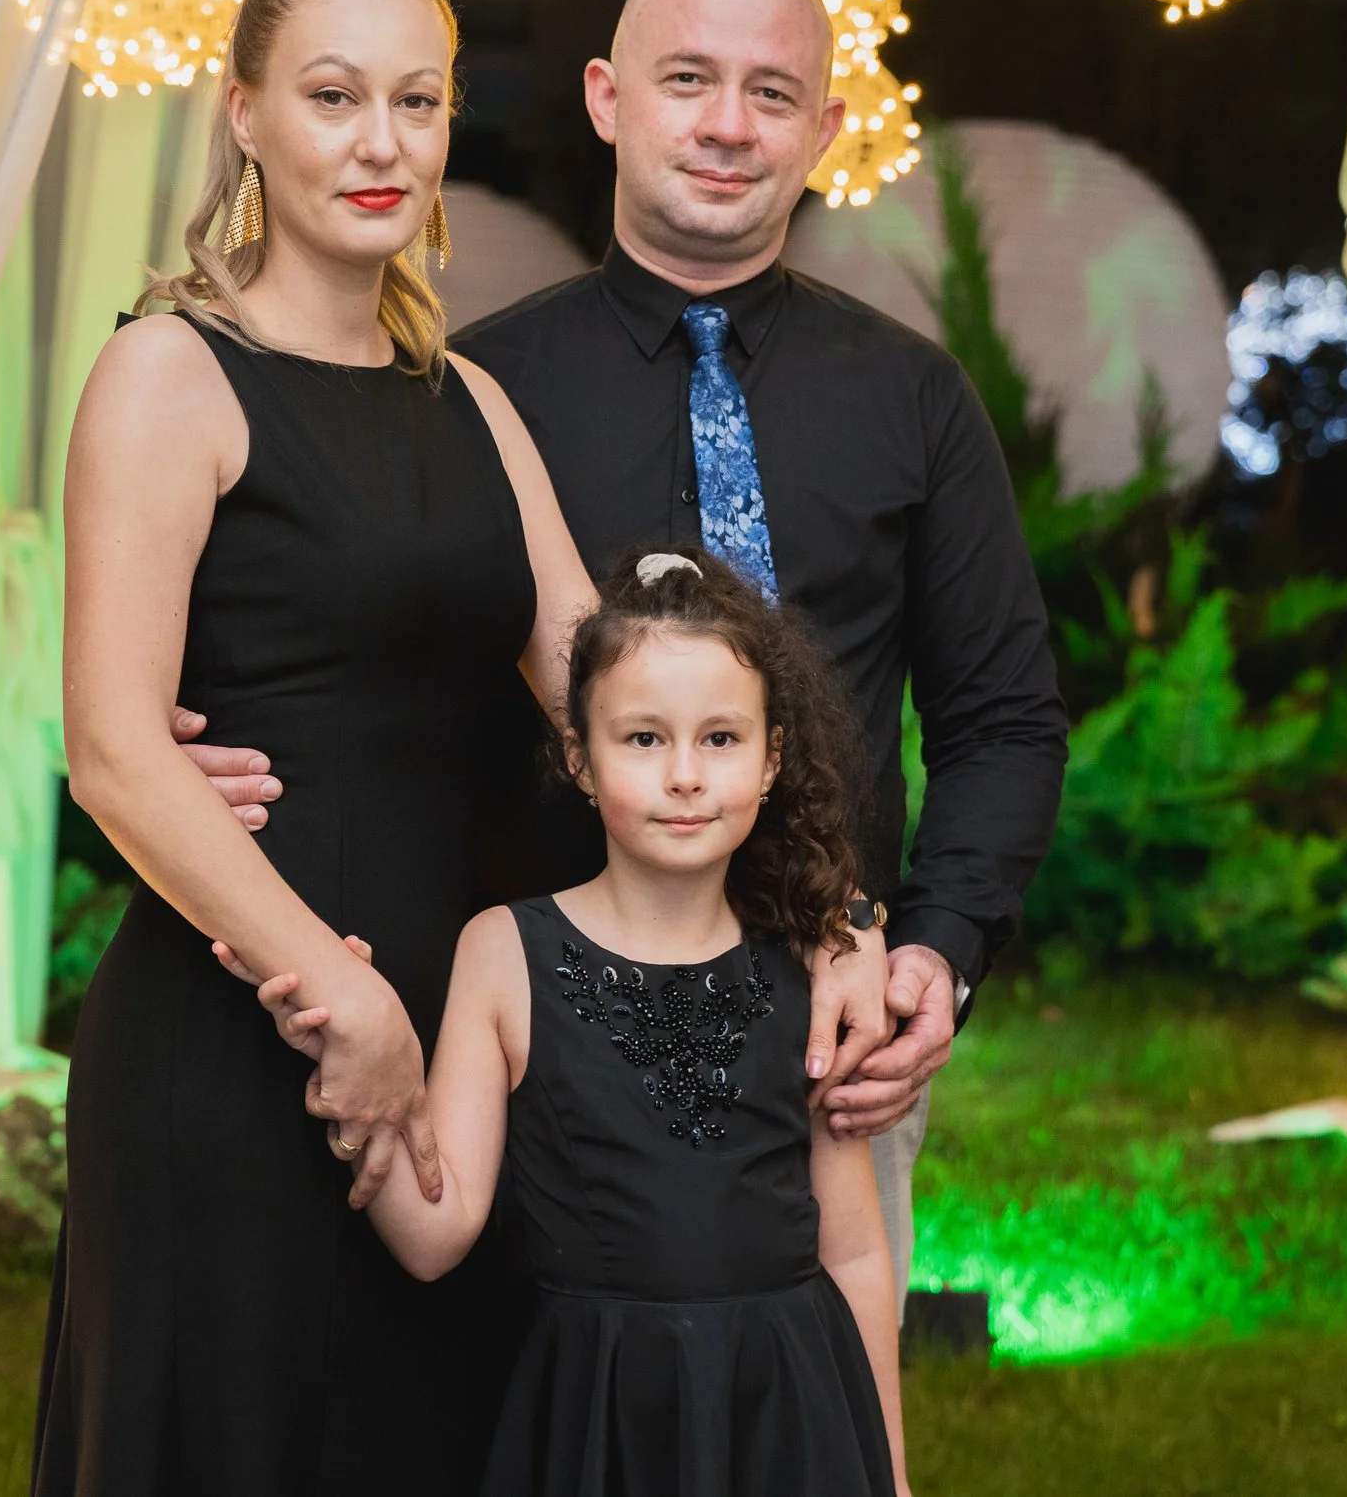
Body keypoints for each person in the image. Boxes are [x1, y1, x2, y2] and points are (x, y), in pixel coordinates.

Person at [188, 0, 1071, 1306]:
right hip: (538, 1024)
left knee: (810, 1396)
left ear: (827, 130)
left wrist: (929, 957)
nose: (728, 124)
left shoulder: (913, 399)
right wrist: (220, 748)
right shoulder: (470, 393)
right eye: (687, 79)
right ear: (604, 98)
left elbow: (1004, 720)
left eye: (773, 94)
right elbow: (373, 658)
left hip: (831, 1019)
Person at [38, 0, 601, 1497]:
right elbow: (115, 749)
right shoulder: (169, 373)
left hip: (464, 1026)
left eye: (416, 102)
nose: (380, 142)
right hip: (236, 1038)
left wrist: (794, 874)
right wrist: (339, 1001)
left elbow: (596, 687)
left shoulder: (473, 399)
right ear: (245, 114)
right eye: (334, 95)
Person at [238, 548, 911, 1497]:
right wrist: (339, 1055)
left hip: (787, 1416)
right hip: (596, 1425)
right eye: (643, 738)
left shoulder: (818, 963)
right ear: (579, 757)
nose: (684, 775)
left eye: (720, 738)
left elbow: (853, 1248)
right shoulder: (504, 953)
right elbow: (434, 1234)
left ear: (773, 758)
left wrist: (890, 1471)